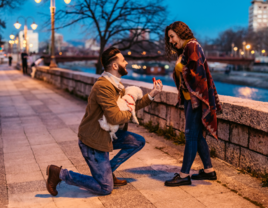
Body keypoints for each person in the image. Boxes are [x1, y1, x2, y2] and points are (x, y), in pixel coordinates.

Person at [46, 47, 163, 196]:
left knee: (137, 141)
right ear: (115, 66)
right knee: (105, 188)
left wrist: (152, 95)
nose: (126, 62)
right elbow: (115, 117)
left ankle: (108, 171)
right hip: (93, 142)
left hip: (107, 136)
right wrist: (128, 111)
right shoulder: (103, 87)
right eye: (123, 60)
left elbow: (128, 109)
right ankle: (60, 174)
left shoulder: (115, 84)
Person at [164, 21, 222, 187]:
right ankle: (209, 171)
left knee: (190, 136)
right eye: (169, 38)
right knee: (196, 136)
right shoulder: (186, 49)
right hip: (191, 99)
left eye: (172, 36)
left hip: (196, 100)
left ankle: (184, 175)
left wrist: (182, 72)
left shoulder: (192, 47)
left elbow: (198, 74)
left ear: (180, 33)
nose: (170, 41)